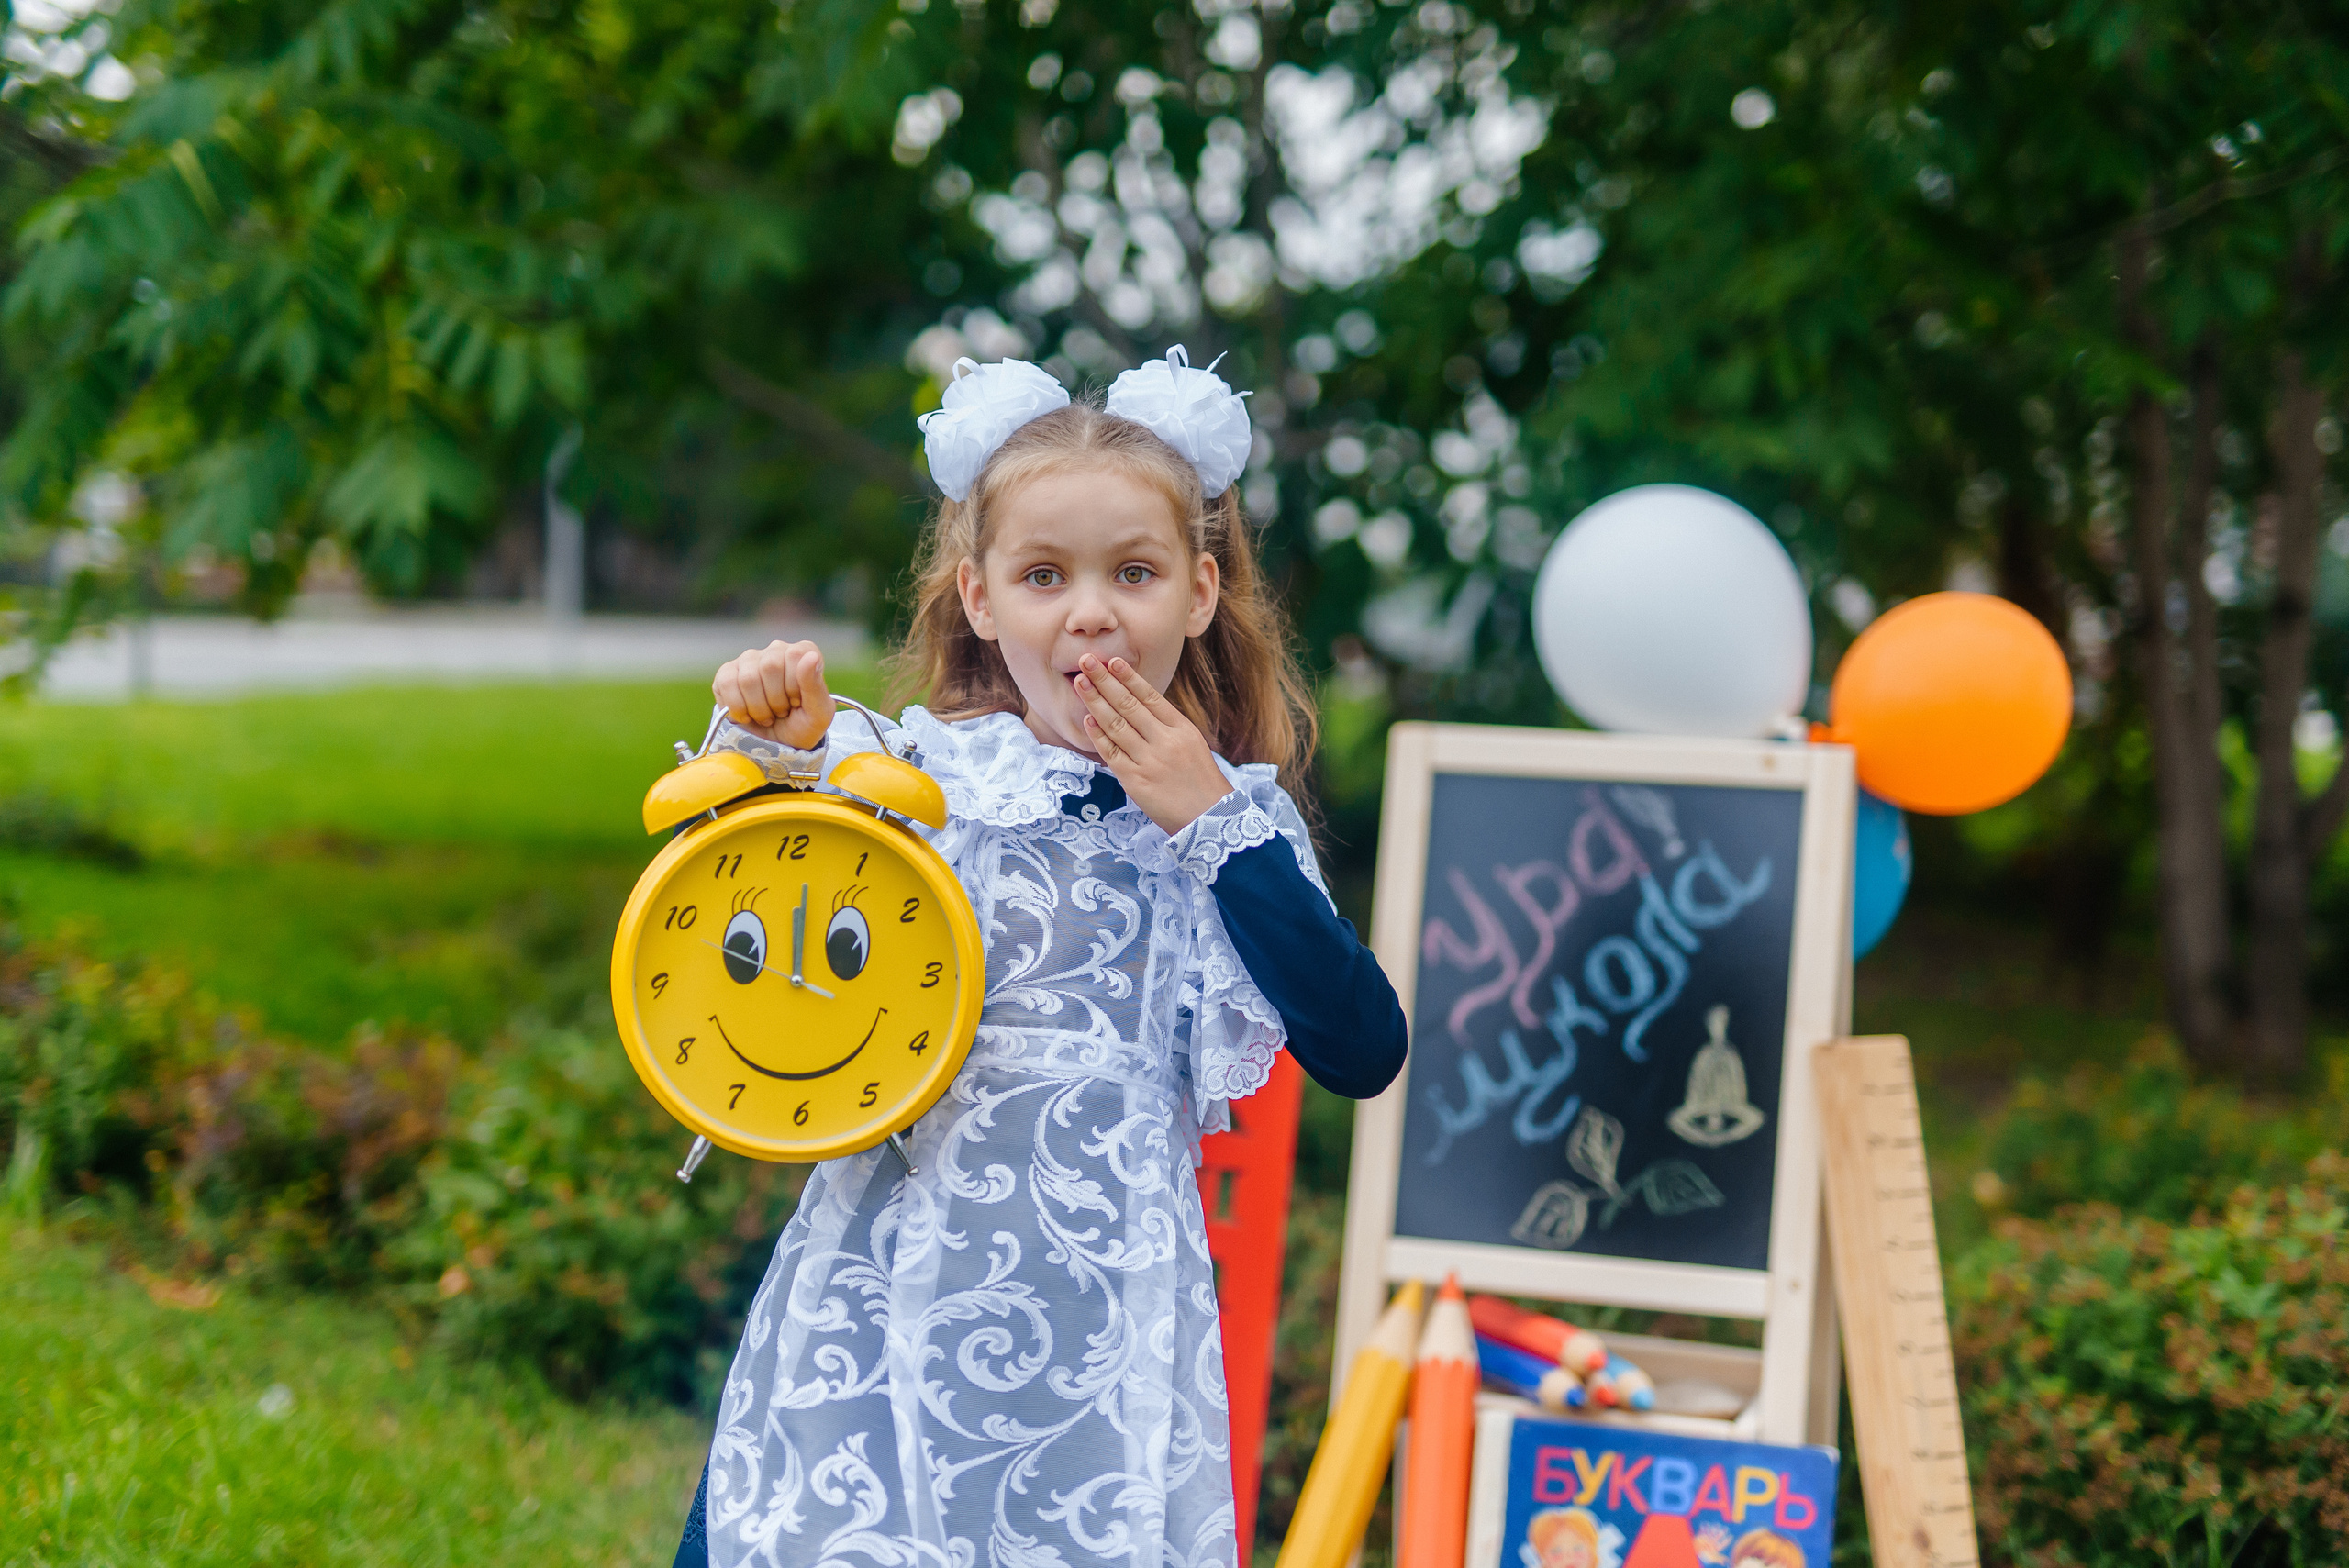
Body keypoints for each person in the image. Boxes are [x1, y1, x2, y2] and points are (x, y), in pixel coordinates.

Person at [669, 348, 1408, 1568]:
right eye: (1044, 575)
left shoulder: (1236, 822)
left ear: (1201, 590)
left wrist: (1205, 821)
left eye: (1134, 571)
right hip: (887, 1289)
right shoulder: (913, 782)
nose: (1091, 612)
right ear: (980, 597)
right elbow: (756, 952)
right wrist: (780, 751)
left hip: (1101, 1341)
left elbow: (1363, 1046)